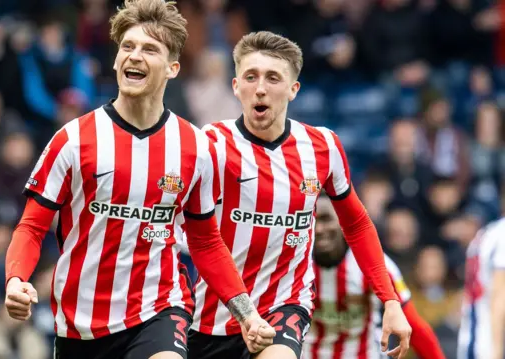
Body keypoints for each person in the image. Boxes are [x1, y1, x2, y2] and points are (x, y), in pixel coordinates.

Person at [2, 1, 275, 359]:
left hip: (159, 309)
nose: (134, 56)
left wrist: (248, 314)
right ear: (115, 61)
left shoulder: (194, 147)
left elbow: (206, 242)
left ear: (173, 68)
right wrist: (15, 281)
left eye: (149, 49)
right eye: (127, 47)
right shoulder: (73, 140)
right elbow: (31, 228)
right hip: (80, 324)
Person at [187, 31, 412, 359]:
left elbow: (357, 224)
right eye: (251, 77)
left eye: (273, 78)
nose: (261, 87)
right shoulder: (210, 144)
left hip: (284, 308)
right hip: (213, 317)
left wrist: (390, 301)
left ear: (293, 90)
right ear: (236, 87)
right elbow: (200, 239)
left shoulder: (322, 146)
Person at [304, 194, 445, 359]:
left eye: (326, 219)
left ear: (342, 222)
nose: (319, 229)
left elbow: (414, 327)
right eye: (313, 221)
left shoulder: (375, 265)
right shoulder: (295, 264)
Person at [457, 217, 505, 359]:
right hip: (489, 340)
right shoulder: (502, 234)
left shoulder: (487, 232)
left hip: (472, 335)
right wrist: (496, 350)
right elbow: (499, 296)